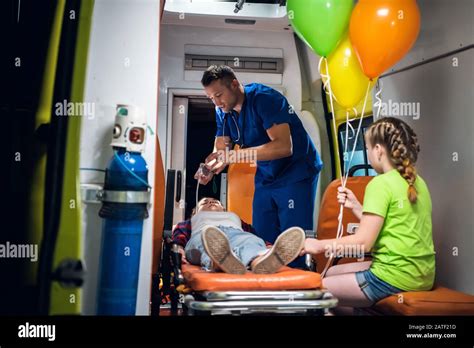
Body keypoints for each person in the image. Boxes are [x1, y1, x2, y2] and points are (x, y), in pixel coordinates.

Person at [195, 65, 323, 267]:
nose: (217, 102)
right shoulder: (223, 110)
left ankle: (295, 286)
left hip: (296, 172)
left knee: (292, 237)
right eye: (211, 98)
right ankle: (262, 281)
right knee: (262, 234)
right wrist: (210, 166)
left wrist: (233, 156)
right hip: (266, 173)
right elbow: (221, 146)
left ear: (235, 84)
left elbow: (284, 146)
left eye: (219, 95)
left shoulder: (266, 99)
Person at [301, 117, 435, 309]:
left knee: (312, 292)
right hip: (421, 276)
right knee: (331, 273)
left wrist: (318, 245)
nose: (368, 153)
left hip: (394, 277)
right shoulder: (418, 183)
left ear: (379, 150)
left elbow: (363, 243)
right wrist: (356, 206)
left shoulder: (379, 184)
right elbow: (392, 226)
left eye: (368, 148)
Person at [172, 197, 305, 274]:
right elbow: (179, 239)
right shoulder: (191, 222)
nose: (211, 202)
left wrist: (270, 248)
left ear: (223, 209)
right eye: (205, 202)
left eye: (215, 201)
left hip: (236, 234)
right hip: (204, 235)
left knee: (250, 242)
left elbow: (252, 235)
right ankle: (217, 262)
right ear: (195, 212)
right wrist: (179, 251)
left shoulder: (235, 219)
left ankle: (260, 262)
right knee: (208, 244)